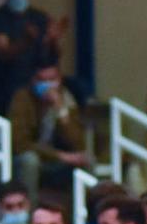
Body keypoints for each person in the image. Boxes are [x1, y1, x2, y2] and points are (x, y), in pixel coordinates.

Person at [0, 0, 66, 112]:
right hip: (7, 86)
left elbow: (52, 58)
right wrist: (26, 41)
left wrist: (53, 41)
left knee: (79, 89)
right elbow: (4, 53)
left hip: (39, 82)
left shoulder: (39, 17)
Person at [9, 60, 88, 202]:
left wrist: (61, 110)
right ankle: (31, 218)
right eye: (42, 80)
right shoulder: (22, 99)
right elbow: (20, 143)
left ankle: (86, 216)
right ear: (33, 81)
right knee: (30, 161)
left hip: (55, 161)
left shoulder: (67, 98)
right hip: (30, 159)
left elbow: (78, 143)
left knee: (86, 160)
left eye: (52, 79)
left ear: (60, 80)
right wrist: (61, 156)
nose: (47, 85)